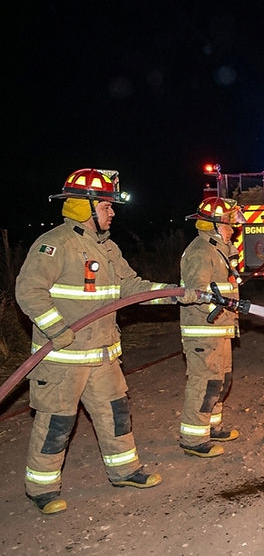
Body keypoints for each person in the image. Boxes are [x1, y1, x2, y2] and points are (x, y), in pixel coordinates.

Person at [14, 168, 196, 514]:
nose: (112, 213)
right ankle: (42, 489)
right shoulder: (56, 244)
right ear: (84, 206)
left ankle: (124, 471)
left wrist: (176, 293)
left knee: (116, 413)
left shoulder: (108, 247)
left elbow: (132, 288)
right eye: (106, 206)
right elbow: (28, 292)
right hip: (64, 360)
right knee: (56, 423)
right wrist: (57, 329)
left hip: (103, 356)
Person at [177, 197, 245, 458]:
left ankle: (211, 427)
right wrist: (217, 302)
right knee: (205, 383)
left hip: (220, 329)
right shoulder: (201, 251)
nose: (233, 229)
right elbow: (194, 292)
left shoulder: (218, 249)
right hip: (203, 332)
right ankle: (193, 439)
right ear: (216, 225)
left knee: (221, 380)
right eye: (229, 223)